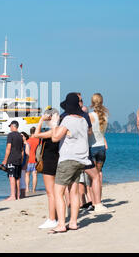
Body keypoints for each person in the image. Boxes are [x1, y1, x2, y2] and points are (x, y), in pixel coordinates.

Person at [48, 93, 112, 234]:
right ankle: (73, 223)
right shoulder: (83, 120)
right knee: (74, 192)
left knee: (58, 192)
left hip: (67, 159)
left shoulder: (68, 120)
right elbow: (86, 134)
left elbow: (55, 138)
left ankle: (61, 225)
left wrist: (53, 125)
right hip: (81, 160)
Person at [33, 110, 59, 229]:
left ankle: (52, 219)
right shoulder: (61, 130)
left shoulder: (52, 131)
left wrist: (41, 120)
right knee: (58, 192)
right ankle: (57, 217)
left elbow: (36, 135)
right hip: (58, 161)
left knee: (50, 193)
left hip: (49, 162)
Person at [88, 93, 109, 199]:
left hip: (92, 147)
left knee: (92, 177)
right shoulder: (105, 117)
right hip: (102, 148)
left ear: (92, 102)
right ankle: (99, 199)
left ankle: (93, 201)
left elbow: (88, 133)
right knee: (99, 174)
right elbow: (102, 133)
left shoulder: (90, 116)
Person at [1, 121, 24, 201]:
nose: (10, 128)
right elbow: (22, 150)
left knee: (11, 177)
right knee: (17, 177)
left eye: (10, 126)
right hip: (18, 159)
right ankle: (18, 195)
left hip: (12, 158)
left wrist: (5, 160)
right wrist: (21, 159)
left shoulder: (10, 135)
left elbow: (8, 147)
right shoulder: (21, 136)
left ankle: (12, 195)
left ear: (13, 126)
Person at [25, 127, 39, 193]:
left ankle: (27, 188)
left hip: (28, 160)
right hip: (36, 160)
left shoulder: (28, 141)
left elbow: (26, 151)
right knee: (35, 175)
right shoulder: (39, 140)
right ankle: (34, 189)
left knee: (27, 175)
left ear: (30, 132)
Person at [19, 132, 30, 198]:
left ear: (25, 137)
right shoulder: (21, 144)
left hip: (23, 163)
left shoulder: (26, 145)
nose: (21, 137)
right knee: (19, 178)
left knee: (22, 178)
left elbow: (28, 155)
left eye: (22, 136)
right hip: (19, 163)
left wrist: (26, 164)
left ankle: (23, 194)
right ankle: (19, 193)